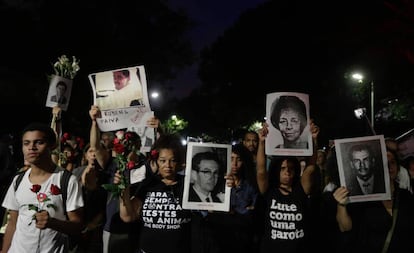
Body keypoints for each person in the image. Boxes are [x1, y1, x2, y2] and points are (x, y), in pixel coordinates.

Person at [1, 122, 84, 253]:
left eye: (38, 142)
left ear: (52, 145)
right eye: (26, 143)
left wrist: (53, 223)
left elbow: (78, 225)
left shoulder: (67, 180)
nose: (31, 148)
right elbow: (13, 222)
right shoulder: (18, 179)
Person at [116, 133, 192, 253]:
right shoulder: (148, 184)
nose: (168, 165)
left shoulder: (189, 185)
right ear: (156, 160)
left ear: (179, 162)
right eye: (163, 160)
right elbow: (127, 216)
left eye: (173, 160)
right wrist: (123, 191)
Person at [333, 148, 414, 253]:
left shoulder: (406, 195)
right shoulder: (364, 197)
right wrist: (341, 205)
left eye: (393, 162)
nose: (389, 166)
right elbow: (345, 228)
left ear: (398, 167)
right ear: (377, 166)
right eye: (384, 162)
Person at [255, 122, 318, 253]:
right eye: (282, 168)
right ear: (276, 170)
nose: (287, 172)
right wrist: (261, 142)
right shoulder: (269, 191)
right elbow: (261, 171)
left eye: (291, 168)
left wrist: (313, 139)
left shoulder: (301, 189)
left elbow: (310, 168)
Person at [89, 105, 142, 253]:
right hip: (113, 227)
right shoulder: (114, 163)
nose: (128, 145)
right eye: (126, 142)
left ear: (139, 145)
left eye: (132, 142)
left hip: (138, 227)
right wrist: (94, 122)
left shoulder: (146, 166)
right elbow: (95, 146)